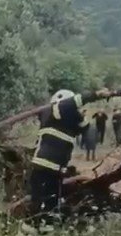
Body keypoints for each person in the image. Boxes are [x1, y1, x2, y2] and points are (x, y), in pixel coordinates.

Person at [30, 86, 115, 223]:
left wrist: (81, 115)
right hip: (44, 165)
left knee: (50, 202)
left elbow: (85, 127)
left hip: (56, 169)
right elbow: (72, 103)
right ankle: (35, 226)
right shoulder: (53, 112)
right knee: (41, 201)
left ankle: (45, 229)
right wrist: (96, 94)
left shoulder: (66, 121)